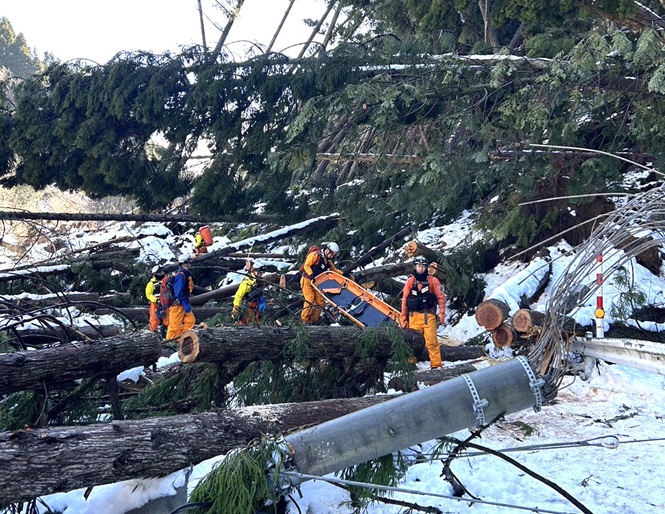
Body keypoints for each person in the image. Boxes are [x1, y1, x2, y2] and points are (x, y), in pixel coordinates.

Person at [400, 256, 447, 369]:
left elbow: (441, 297)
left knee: (432, 342)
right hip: (414, 317)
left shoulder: (433, 281)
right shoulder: (410, 282)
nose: (420, 268)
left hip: (428, 316)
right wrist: (403, 317)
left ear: (426, 267)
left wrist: (441, 312)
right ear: (415, 267)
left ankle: (436, 365)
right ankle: (411, 365)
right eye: (418, 266)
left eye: (423, 266)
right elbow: (405, 300)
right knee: (412, 342)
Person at [299, 242, 341, 324]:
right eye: (332, 254)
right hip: (307, 280)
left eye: (334, 255)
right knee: (309, 300)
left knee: (320, 302)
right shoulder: (315, 255)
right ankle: (304, 320)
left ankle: (313, 320)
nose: (332, 256)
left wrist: (343, 274)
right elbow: (306, 265)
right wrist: (311, 275)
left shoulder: (328, 262)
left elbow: (334, 271)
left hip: (317, 283)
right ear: (327, 250)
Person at [165, 256, 196, 340]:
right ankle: (170, 342)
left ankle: (181, 338)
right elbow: (178, 291)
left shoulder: (184, 273)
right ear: (184, 263)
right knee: (175, 326)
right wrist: (185, 302)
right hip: (177, 304)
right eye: (188, 262)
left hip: (183, 302)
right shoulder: (181, 275)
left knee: (190, 320)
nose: (190, 264)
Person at [231, 262, 266, 326]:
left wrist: (262, 301)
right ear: (254, 271)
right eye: (260, 272)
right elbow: (238, 295)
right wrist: (236, 306)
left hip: (256, 307)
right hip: (247, 307)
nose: (261, 274)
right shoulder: (247, 282)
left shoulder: (260, 281)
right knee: (246, 323)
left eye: (263, 273)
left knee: (257, 323)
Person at [145, 265, 169, 336]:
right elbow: (148, 294)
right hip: (156, 303)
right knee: (154, 318)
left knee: (167, 316)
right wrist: (156, 300)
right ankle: (152, 332)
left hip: (166, 302)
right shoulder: (151, 284)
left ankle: (165, 328)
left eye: (162, 272)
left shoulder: (166, 281)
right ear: (155, 274)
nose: (162, 273)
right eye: (160, 272)